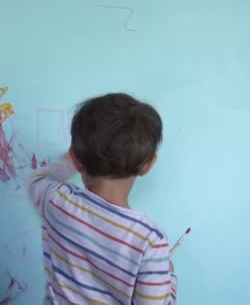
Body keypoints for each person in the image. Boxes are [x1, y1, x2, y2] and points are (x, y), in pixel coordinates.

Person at [28, 93, 178, 304]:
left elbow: (38, 178)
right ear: (148, 164)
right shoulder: (149, 239)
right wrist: (169, 277)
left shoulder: (56, 201)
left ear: (77, 159)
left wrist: (71, 162)